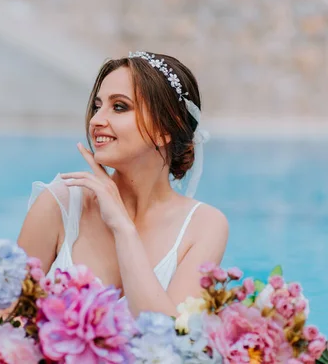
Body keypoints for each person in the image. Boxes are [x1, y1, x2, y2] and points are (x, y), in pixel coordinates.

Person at [16, 52, 229, 318]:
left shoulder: (204, 226)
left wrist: (123, 227)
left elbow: (173, 343)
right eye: (97, 106)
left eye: (119, 107)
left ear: (165, 128)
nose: (95, 120)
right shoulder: (59, 204)